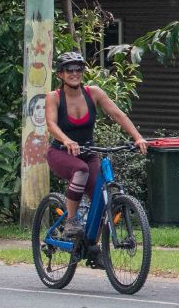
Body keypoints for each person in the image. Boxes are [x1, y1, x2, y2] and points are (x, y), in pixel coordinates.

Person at [44, 51, 148, 246]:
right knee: (80, 170)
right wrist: (67, 141)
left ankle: (93, 248)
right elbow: (51, 124)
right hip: (60, 152)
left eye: (79, 69)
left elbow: (118, 115)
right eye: (69, 70)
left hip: (88, 153)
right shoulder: (54, 97)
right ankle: (71, 221)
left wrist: (137, 137)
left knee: (101, 199)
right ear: (60, 74)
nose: (74, 73)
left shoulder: (94, 93)